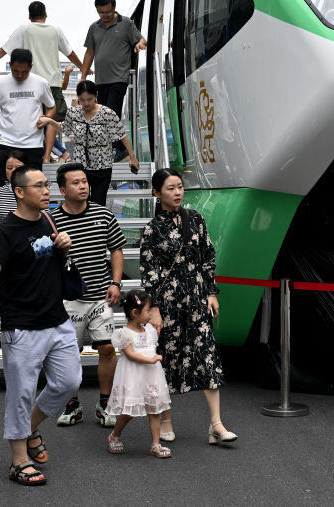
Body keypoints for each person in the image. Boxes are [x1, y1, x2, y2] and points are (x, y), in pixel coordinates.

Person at [0, 165, 81, 487]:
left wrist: (64, 246)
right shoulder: (4, 231)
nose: (47, 190)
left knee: (69, 382)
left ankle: (30, 428)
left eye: (47, 184)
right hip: (21, 326)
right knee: (21, 394)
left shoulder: (49, 220)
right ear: (20, 192)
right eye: (39, 186)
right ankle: (19, 460)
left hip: (57, 320)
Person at [140, 168, 236, 445]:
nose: (178, 192)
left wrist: (212, 292)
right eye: (170, 188)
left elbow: (208, 256)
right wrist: (154, 308)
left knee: (207, 356)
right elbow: (148, 271)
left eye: (180, 187)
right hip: (167, 303)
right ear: (157, 193)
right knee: (166, 360)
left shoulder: (195, 219)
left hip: (196, 299)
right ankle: (166, 419)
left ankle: (216, 423)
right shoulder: (152, 229)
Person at [49, 162, 126, 428]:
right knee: (69, 353)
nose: (83, 186)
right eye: (76, 183)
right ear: (62, 190)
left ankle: (105, 403)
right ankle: (72, 404)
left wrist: (116, 283)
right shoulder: (52, 220)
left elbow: (116, 249)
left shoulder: (103, 215)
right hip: (67, 299)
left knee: (107, 348)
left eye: (84, 181)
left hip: (100, 296)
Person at [38, 80, 138, 206]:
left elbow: (122, 135)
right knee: (81, 201)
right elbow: (64, 127)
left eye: (89, 99)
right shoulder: (73, 112)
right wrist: (49, 121)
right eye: (82, 100)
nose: (86, 103)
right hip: (81, 164)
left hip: (102, 164)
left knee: (98, 202)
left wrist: (132, 157)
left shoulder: (107, 113)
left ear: (96, 95)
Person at [0, 1, 83, 124]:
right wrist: (83, 68)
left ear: (29, 16)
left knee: (33, 121)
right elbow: (70, 53)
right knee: (51, 123)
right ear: (46, 15)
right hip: (53, 84)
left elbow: (4, 50)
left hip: (31, 84)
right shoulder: (56, 30)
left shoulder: (24, 29)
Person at [79, 0, 147, 159]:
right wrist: (83, 77)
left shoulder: (126, 23)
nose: (105, 15)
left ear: (114, 8)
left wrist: (139, 44)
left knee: (110, 113)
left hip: (119, 78)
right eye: (101, 12)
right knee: (102, 115)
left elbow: (142, 39)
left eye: (108, 12)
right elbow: (89, 53)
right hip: (101, 81)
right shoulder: (94, 27)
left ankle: (119, 148)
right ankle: (118, 148)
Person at [106, 289, 172, 458]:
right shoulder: (125, 334)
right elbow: (130, 355)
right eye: (148, 310)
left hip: (150, 376)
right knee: (129, 412)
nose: (150, 314)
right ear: (135, 313)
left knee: (154, 410)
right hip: (133, 376)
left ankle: (156, 445)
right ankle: (115, 435)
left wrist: (152, 359)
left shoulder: (149, 330)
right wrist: (150, 360)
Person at [0, 48, 56, 195]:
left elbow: (52, 106)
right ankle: (10, 204)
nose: (20, 75)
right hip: (6, 142)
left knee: (33, 185)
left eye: (24, 72)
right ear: (10, 65)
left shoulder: (41, 83)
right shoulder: (0, 84)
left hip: (32, 144)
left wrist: (46, 118)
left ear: (31, 67)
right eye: (16, 71)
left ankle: (22, 206)